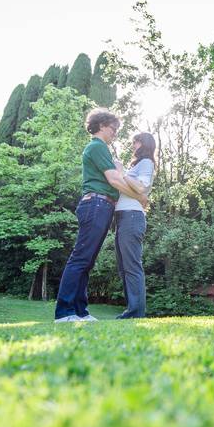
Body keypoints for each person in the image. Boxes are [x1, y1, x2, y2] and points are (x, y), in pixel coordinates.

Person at [54, 109, 146, 323]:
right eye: (114, 128)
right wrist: (140, 196)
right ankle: (65, 312)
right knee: (80, 259)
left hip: (102, 205)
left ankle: (80, 311)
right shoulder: (97, 146)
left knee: (87, 261)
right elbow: (114, 180)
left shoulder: (100, 148)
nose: (116, 133)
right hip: (96, 204)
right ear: (102, 125)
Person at [114, 133, 155, 319]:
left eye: (136, 142)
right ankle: (132, 310)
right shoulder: (137, 165)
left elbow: (141, 187)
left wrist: (121, 173)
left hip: (132, 216)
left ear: (144, 144)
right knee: (124, 268)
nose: (133, 145)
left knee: (132, 266)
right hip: (123, 217)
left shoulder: (146, 162)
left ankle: (136, 312)